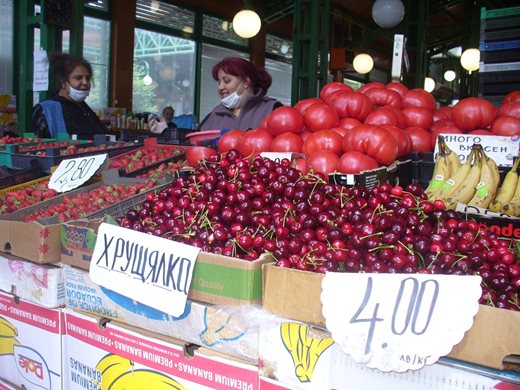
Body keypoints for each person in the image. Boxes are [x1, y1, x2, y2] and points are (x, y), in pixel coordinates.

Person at [149, 57, 282, 134]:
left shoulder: (273, 110)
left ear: (246, 82)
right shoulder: (214, 116)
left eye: (227, 81)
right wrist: (166, 133)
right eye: (219, 82)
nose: (220, 88)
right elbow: (192, 144)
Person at [32, 52, 109, 140]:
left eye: (87, 78)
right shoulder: (46, 110)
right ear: (63, 82)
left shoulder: (84, 108)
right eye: (78, 78)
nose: (85, 83)